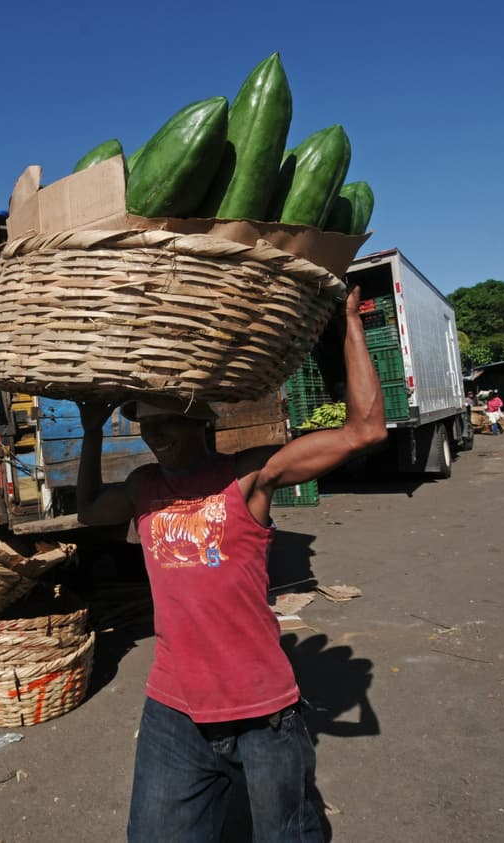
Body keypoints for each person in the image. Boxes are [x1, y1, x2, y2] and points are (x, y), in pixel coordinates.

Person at [75, 285, 386, 842]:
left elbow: (365, 430)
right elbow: (89, 512)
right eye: (146, 425)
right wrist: (94, 430)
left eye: (166, 422)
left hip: (261, 712)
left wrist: (350, 325)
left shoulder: (247, 479)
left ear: (200, 420)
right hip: (173, 710)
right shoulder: (144, 486)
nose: (155, 435)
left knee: (284, 837)